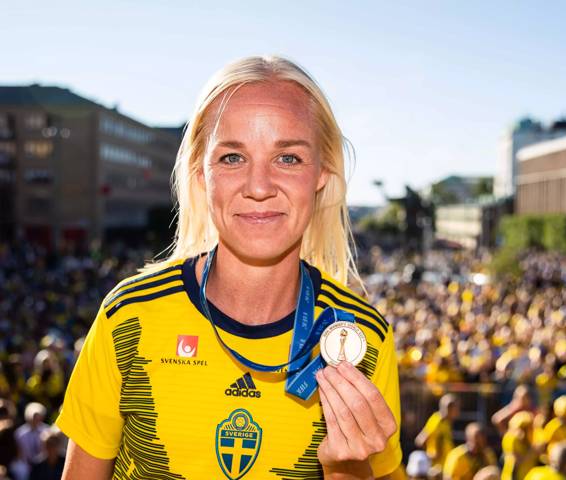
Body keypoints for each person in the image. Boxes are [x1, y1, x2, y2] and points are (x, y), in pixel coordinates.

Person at [55, 56, 401, 479]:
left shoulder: (360, 339)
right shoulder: (128, 316)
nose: (258, 187)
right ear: (201, 174)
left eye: (288, 158)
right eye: (233, 157)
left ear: (322, 175)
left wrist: (347, 468)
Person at [416, 393, 461, 471]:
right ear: (449, 408)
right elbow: (420, 440)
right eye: (456, 408)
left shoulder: (447, 423)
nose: (458, 411)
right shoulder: (437, 420)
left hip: (445, 467)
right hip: (437, 469)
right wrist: (432, 455)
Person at [501, 411, 538, 480]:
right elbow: (517, 461)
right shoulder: (511, 438)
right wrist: (533, 451)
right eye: (524, 428)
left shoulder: (530, 438)